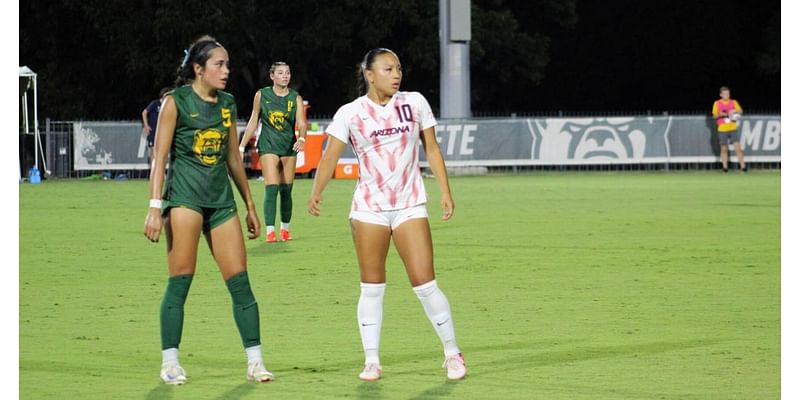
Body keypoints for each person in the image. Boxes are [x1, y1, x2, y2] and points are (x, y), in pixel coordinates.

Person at [307, 48, 467, 381]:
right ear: (369, 74)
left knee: (425, 283)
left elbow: (432, 149)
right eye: (388, 68)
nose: (397, 74)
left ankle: (453, 353)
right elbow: (330, 156)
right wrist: (317, 190)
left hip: (409, 204)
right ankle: (371, 360)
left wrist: (445, 192)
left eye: (398, 68)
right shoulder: (351, 113)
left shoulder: (415, 103)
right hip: (369, 209)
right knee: (372, 287)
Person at [143, 35, 273, 385]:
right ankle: (170, 362)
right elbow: (160, 158)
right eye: (219, 64)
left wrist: (249, 204)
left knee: (240, 283)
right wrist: (155, 208)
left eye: (228, 64)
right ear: (198, 69)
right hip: (184, 201)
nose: (226, 70)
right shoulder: (176, 103)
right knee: (180, 281)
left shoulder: (228, 103)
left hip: (221, 204)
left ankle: (255, 362)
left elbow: (233, 157)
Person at [239, 62, 308, 243]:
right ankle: (270, 231)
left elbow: (301, 123)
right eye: (280, 73)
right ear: (272, 76)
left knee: (286, 190)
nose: (285, 76)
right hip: (268, 145)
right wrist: (241, 146)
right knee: (272, 187)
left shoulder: (296, 98)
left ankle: (285, 229)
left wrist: (301, 139)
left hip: (288, 147)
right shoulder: (262, 95)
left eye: (287, 72)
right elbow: (254, 121)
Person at [712, 86, 747, 172]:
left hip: (733, 128)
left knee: (738, 148)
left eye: (728, 93)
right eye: (724, 94)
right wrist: (721, 115)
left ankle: (743, 167)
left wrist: (733, 112)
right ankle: (725, 168)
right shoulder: (717, 103)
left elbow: (741, 111)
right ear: (721, 95)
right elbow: (714, 115)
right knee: (724, 149)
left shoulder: (733, 102)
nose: (727, 95)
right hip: (722, 129)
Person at [141, 87, 171, 166]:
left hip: (163, 132)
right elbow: (144, 112)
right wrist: (146, 125)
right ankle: (153, 171)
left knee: (163, 153)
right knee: (153, 152)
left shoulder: (168, 105)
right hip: (154, 131)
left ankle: (161, 171)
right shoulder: (155, 103)